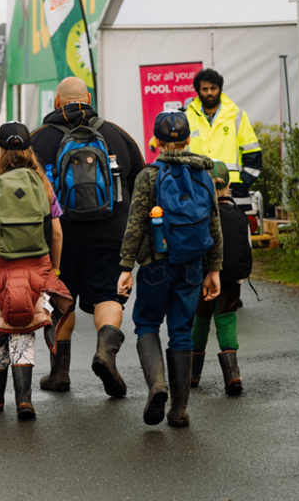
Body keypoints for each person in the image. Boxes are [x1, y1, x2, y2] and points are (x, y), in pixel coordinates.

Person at [29, 77, 144, 398]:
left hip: (58, 240)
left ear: (56, 101)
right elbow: (140, 186)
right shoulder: (117, 135)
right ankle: (105, 352)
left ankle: (59, 374)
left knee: (60, 301)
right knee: (108, 297)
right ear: (88, 99)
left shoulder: (38, 140)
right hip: (111, 237)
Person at [0, 122, 72, 420]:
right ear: (27, 149)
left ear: (1, 150)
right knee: (26, 325)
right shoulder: (42, 183)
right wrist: (54, 269)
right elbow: (57, 233)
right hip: (36, 265)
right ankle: (24, 399)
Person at [118, 111, 223, 428]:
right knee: (181, 333)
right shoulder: (204, 174)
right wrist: (214, 269)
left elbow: (136, 225)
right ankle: (179, 410)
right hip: (191, 265)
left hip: (155, 265)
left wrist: (125, 267)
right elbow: (214, 225)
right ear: (189, 140)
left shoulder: (149, 176)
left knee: (146, 323)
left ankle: (157, 384)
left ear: (156, 142)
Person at [191, 160, 251, 396]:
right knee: (226, 321)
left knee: (200, 322)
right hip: (231, 279)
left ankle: (192, 375)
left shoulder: (201, 212)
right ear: (228, 185)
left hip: (204, 277)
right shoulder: (240, 215)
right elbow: (248, 248)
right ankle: (232, 375)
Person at [183, 68, 262, 209]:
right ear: (197, 91)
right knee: (203, 230)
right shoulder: (187, 117)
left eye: (213, 88)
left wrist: (243, 182)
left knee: (234, 230)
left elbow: (253, 153)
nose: (209, 93)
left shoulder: (236, 115)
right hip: (197, 188)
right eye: (205, 89)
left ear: (220, 89)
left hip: (233, 192)